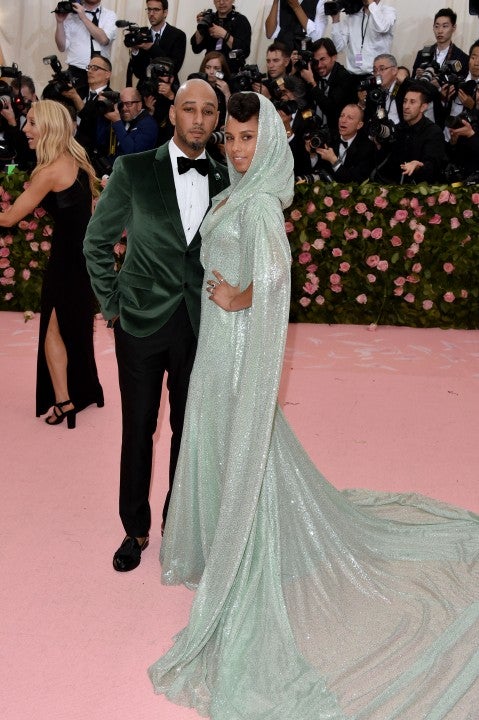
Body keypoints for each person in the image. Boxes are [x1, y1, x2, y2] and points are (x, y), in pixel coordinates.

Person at [146, 90, 479, 717]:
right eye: (231, 138)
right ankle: (222, 536)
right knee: (226, 440)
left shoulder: (259, 205)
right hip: (217, 347)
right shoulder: (240, 194)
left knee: (241, 440)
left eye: (249, 138)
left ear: (270, 140)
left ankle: (241, 545)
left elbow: (275, 280)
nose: (237, 150)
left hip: (236, 349)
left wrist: (237, 299)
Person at [83, 79, 229, 572]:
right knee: (138, 429)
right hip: (140, 321)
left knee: (190, 432)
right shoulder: (134, 169)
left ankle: (178, 523)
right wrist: (113, 305)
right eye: (189, 109)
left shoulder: (227, 179)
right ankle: (135, 528)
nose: (198, 119)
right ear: (173, 114)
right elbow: (96, 241)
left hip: (200, 324)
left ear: (216, 119)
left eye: (208, 111)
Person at [0, 99, 104, 427]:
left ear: (49, 127)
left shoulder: (48, 172)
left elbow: (9, 218)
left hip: (65, 261)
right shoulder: (77, 159)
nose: (25, 129)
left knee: (53, 331)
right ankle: (86, 390)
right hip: (83, 258)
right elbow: (92, 210)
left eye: (32, 123)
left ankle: (64, 401)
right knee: (77, 327)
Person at [54, 0, 117, 89]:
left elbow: (104, 40)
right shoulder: (70, 15)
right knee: (74, 97)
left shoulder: (109, 15)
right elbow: (61, 47)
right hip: (76, 70)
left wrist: (83, 17)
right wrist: (59, 22)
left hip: (100, 72)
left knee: (98, 98)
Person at [330, 0, 396, 77]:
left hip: (376, 75)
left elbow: (382, 27)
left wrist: (371, 2)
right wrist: (335, 19)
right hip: (353, 75)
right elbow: (338, 47)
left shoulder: (387, 11)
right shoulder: (352, 16)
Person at [127, 0, 186, 85]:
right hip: (144, 88)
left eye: (156, 10)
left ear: (165, 12)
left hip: (167, 88)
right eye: (149, 9)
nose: (151, 14)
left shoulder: (178, 35)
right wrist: (135, 51)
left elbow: (174, 68)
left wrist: (151, 47)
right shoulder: (142, 35)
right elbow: (138, 73)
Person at [190, 0, 252, 74]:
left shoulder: (241, 20)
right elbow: (196, 48)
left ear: (233, 1)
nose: (221, 2)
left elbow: (244, 52)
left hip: (230, 72)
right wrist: (201, 25)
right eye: (218, 0)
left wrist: (225, 35)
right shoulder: (210, 19)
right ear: (214, 1)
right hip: (210, 71)